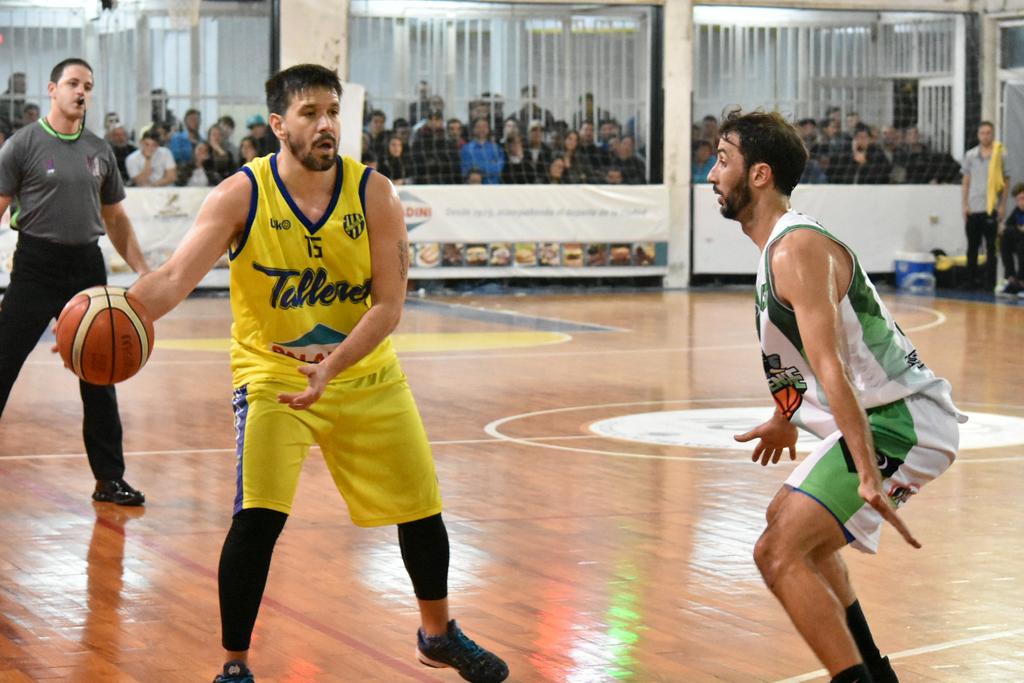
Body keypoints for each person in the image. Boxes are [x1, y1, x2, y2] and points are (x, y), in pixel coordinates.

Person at [128, 63, 508, 683]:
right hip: (272, 374)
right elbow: (172, 279)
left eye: (332, 111)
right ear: (279, 125)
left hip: (363, 370)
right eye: (310, 113)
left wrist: (334, 366)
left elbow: (389, 306)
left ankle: (437, 635)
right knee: (258, 518)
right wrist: (117, 312)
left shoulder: (375, 194)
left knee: (421, 507)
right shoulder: (239, 195)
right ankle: (234, 666)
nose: (326, 124)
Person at [707, 109, 964, 683]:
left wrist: (868, 471)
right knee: (786, 523)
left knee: (778, 552)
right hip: (881, 416)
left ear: (759, 174)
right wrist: (785, 416)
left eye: (723, 160)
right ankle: (873, 673)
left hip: (901, 421)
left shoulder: (795, 247)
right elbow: (802, 357)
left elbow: (833, 366)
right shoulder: (779, 247)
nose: (711, 174)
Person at [0, 57, 149, 506]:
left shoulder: (100, 150)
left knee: (101, 374)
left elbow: (116, 219)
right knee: (3, 363)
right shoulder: (22, 145)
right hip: (35, 265)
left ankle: (109, 479)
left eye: (87, 85)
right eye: (72, 83)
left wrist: (144, 270)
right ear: (52, 90)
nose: (81, 91)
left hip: (87, 268)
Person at [961, 121, 1010, 291]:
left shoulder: (1000, 154)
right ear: (978, 135)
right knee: (972, 247)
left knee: (991, 247)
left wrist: (1002, 205)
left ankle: (990, 283)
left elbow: (1006, 182)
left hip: (991, 207)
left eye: (988, 133)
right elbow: (966, 181)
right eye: (982, 133)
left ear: (993, 134)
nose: (985, 136)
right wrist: (964, 204)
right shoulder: (970, 155)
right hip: (974, 207)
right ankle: (970, 281)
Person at [999, 183, 1024, 295]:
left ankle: (1022, 281)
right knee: (1004, 240)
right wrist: (1016, 229)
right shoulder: (1017, 211)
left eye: (1022, 198)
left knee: (1022, 246)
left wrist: (1014, 229)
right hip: (1019, 241)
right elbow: (1005, 227)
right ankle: (1011, 278)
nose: (1021, 202)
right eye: (1018, 200)